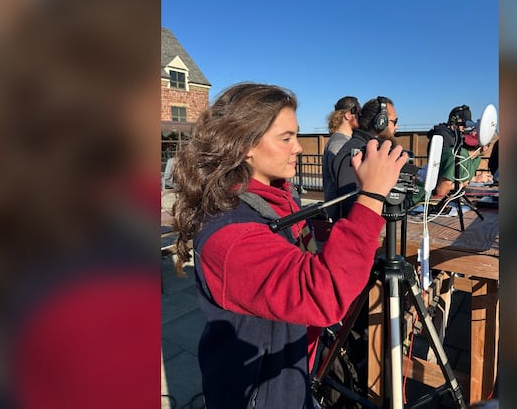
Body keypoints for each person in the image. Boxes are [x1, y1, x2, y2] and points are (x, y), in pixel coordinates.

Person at [171, 83, 408, 409]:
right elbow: (322, 293)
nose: (298, 148)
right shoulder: (230, 236)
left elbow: (298, 245)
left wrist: (350, 232)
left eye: (296, 136)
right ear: (245, 145)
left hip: (291, 372)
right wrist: (371, 198)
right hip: (257, 392)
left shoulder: (276, 199)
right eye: (286, 138)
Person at [330, 96, 400, 220]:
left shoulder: (367, 149)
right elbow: (350, 208)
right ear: (381, 121)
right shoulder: (357, 153)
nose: (397, 127)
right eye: (394, 121)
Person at [425, 104, 484, 200]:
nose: (465, 128)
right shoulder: (443, 136)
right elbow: (443, 174)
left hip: (449, 191)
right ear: (456, 121)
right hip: (439, 192)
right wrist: (472, 180)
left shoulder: (453, 136)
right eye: (464, 123)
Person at [321, 96, 360, 202]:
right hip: (342, 209)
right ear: (348, 115)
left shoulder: (341, 140)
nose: (360, 118)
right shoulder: (339, 143)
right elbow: (343, 181)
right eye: (358, 114)